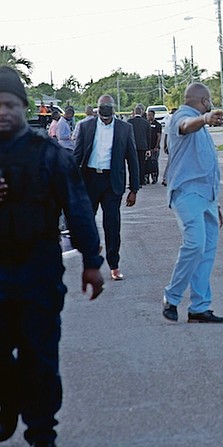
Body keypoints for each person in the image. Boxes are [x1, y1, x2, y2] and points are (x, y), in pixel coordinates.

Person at [0, 65, 104, 447]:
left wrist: (92, 263)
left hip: (38, 274)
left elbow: (77, 208)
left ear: (24, 108)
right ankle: (8, 399)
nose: (2, 111)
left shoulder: (49, 154)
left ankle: (42, 432)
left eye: (9, 103)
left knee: (40, 357)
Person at [162, 82, 223, 323]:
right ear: (203, 101)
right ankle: (172, 296)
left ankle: (199, 307)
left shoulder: (202, 125)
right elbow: (185, 127)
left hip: (207, 197)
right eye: (208, 102)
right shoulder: (183, 116)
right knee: (195, 245)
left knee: (207, 252)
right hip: (187, 193)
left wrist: (216, 202)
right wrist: (206, 118)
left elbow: (205, 163)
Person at [73, 94, 140, 281]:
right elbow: (77, 156)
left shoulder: (125, 128)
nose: (105, 113)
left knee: (112, 224)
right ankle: (92, 255)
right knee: (86, 222)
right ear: (97, 108)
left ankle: (114, 265)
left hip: (112, 182)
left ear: (113, 109)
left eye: (108, 108)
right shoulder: (86, 127)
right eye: (102, 108)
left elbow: (132, 159)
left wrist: (134, 189)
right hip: (90, 179)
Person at [128, 106, 151, 186]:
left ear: (134, 112)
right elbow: (149, 136)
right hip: (142, 146)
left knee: (132, 164)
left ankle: (133, 182)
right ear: (141, 113)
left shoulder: (129, 122)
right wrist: (148, 148)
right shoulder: (146, 122)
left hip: (132, 146)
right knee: (141, 164)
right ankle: (141, 180)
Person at [161, 107, 177, 186]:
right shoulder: (174, 122)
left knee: (171, 162)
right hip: (174, 145)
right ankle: (167, 178)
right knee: (172, 162)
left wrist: (165, 145)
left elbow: (166, 135)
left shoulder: (169, 122)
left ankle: (166, 178)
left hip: (171, 144)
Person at [145, 109, 161, 184]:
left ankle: (154, 177)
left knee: (154, 162)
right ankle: (146, 178)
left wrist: (156, 146)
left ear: (153, 115)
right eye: (148, 115)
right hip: (147, 147)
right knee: (146, 163)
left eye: (150, 115)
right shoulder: (145, 124)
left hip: (154, 147)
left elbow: (159, 136)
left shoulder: (157, 125)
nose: (148, 116)